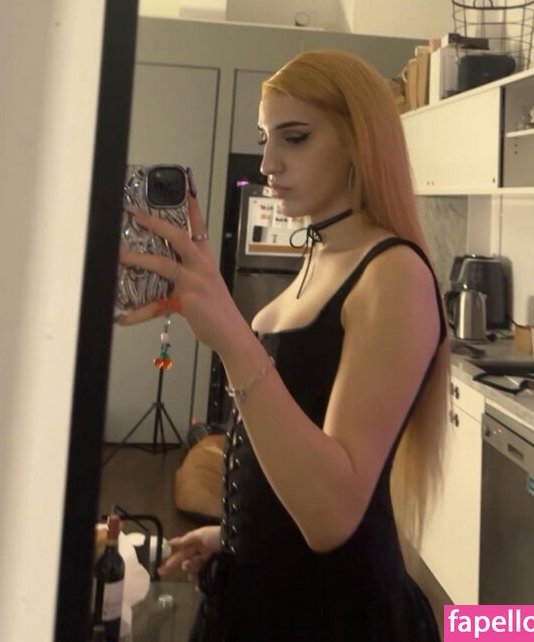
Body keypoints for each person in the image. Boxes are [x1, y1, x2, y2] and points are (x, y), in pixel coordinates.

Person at [118, 49, 449, 640]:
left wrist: (231, 339)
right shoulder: (319, 255)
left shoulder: (392, 273)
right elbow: (294, 452)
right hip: (260, 597)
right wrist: (237, 535)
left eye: (294, 138)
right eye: (264, 138)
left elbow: (334, 514)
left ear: (359, 141)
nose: (268, 162)